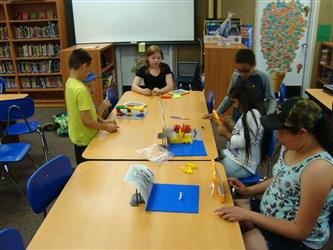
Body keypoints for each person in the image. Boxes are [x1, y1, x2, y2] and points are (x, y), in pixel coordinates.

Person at [215, 97, 333, 250]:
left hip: (296, 238)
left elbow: (300, 231)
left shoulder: (318, 169)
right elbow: (280, 178)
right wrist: (248, 190)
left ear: (302, 133)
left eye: (281, 132)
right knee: (224, 212)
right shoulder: (292, 146)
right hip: (271, 212)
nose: (277, 136)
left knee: (234, 243)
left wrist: (249, 215)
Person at [65, 49, 119, 165]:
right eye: (88, 69)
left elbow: (89, 113)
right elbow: (86, 121)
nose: (88, 72)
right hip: (86, 138)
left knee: (82, 165)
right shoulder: (81, 90)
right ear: (84, 67)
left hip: (77, 136)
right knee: (88, 169)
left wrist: (104, 121)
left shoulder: (69, 83)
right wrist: (106, 128)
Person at [203, 49, 276, 122]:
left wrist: (268, 117)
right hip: (237, 118)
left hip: (256, 120)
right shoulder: (236, 75)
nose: (242, 74)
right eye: (239, 70)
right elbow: (230, 97)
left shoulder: (263, 78)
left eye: (246, 71)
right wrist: (217, 113)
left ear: (254, 65)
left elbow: (271, 100)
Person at [217, 81, 265, 178]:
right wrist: (228, 124)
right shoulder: (248, 113)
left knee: (214, 169)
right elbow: (239, 133)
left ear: (243, 100)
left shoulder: (252, 115)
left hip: (243, 165)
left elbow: (243, 142)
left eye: (235, 102)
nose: (234, 106)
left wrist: (226, 134)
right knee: (214, 154)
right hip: (235, 156)